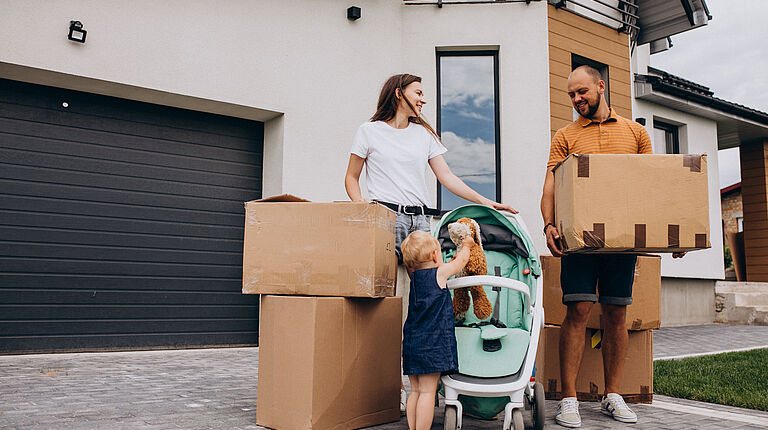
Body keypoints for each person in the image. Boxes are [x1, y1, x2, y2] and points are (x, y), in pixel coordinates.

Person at [344, 73, 516, 412]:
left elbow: (447, 177)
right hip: (384, 219)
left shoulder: (423, 135)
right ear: (398, 94)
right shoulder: (369, 131)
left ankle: (418, 390)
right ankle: (385, 387)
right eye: (418, 93)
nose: (423, 100)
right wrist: (362, 211)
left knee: (422, 306)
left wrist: (486, 202)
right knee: (386, 307)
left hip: (420, 224)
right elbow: (351, 177)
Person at [540, 65, 683, 428]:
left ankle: (612, 395)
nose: (576, 100)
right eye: (571, 95)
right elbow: (551, 186)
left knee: (617, 313)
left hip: (621, 242)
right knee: (578, 310)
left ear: (601, 87)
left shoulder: (636, 133)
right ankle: (569, 399)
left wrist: (673, 235)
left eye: (582, 92)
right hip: (580, 241)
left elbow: (650, 187)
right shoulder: (565, 135)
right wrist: (548, 224)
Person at [400, 230, 473, 430]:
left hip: (413, 342)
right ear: (434, 255)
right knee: (427, 392)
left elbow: (443, 266)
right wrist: (466, 245)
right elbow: (461, 263)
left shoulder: (414, 277)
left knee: (415, 391)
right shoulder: (439, 274)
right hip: (431, 343)